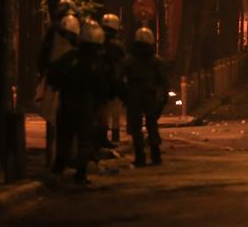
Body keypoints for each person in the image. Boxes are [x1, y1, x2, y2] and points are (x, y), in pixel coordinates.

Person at [48, 18, 110, 184]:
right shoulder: (97, 62)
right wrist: (101, 102)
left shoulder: (70, 57)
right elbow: (102, 86)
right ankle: (80, 174)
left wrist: (60, 86)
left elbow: (52, 74)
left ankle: (57, 171)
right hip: (85, 104)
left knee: (64, 138)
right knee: (85, 140)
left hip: (67, 101)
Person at [121, 27, 169, 167]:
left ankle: (140, 157)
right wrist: (164, 96)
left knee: (136, 126)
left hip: (134, 94)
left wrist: (124, 95)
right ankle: (155, 155)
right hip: (150, 95)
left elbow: (119, 78)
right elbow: (164, 81)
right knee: (152, 124)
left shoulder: (129, 60)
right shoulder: (156, 61)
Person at [97, 13, 126, 149]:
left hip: (96, 80)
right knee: (108, 111)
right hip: (111, 82)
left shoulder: (96, 41)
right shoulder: (117, 45)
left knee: (99, 111)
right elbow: (122, 64)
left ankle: (99, 138)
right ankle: (104, 138)